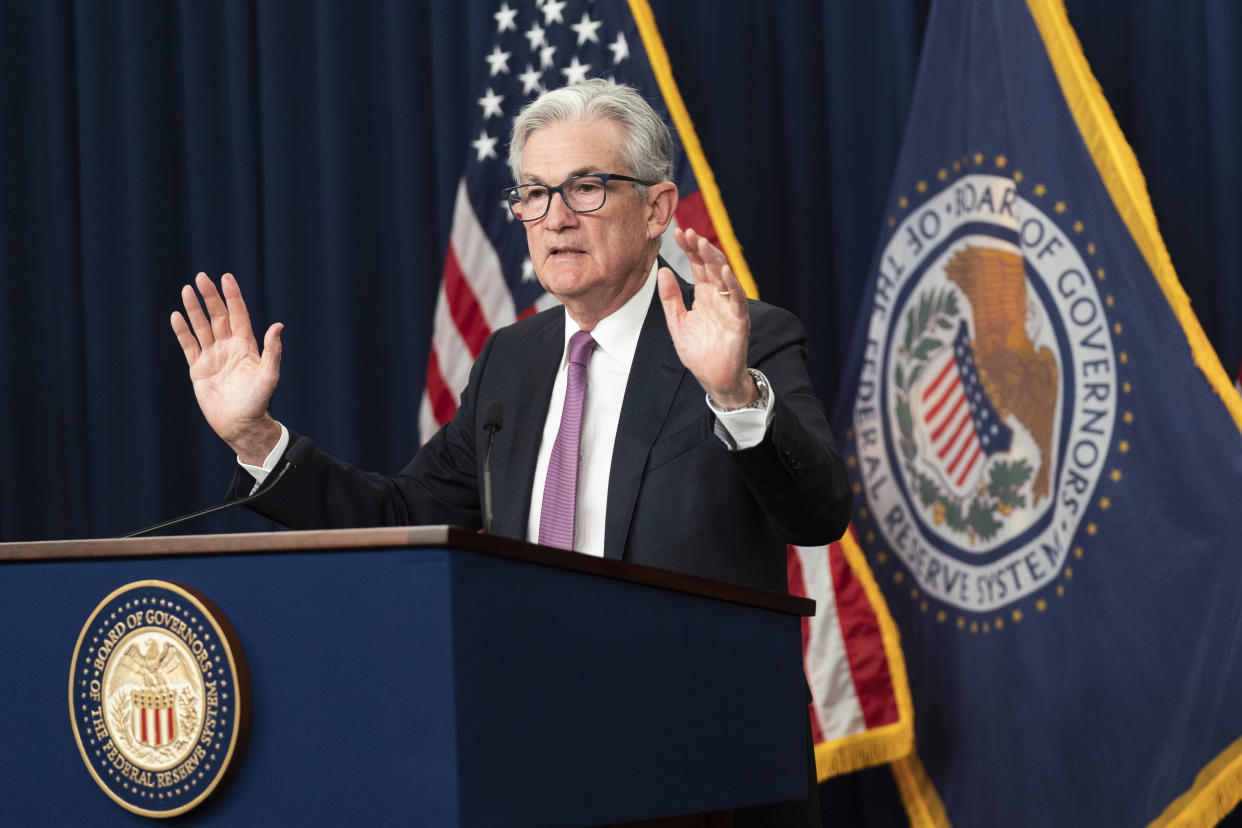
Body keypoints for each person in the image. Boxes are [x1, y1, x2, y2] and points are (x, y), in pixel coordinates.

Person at [172, 79, 850, 823]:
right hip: (535, 750)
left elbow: (817, 513)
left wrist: (732, 394)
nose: (555, 218)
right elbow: (408, 513)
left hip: (703, 765)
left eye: (586, 188)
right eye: (532, 194)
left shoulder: (738, 340)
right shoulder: (511, 361)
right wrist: (256, 439)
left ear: (657, 209)